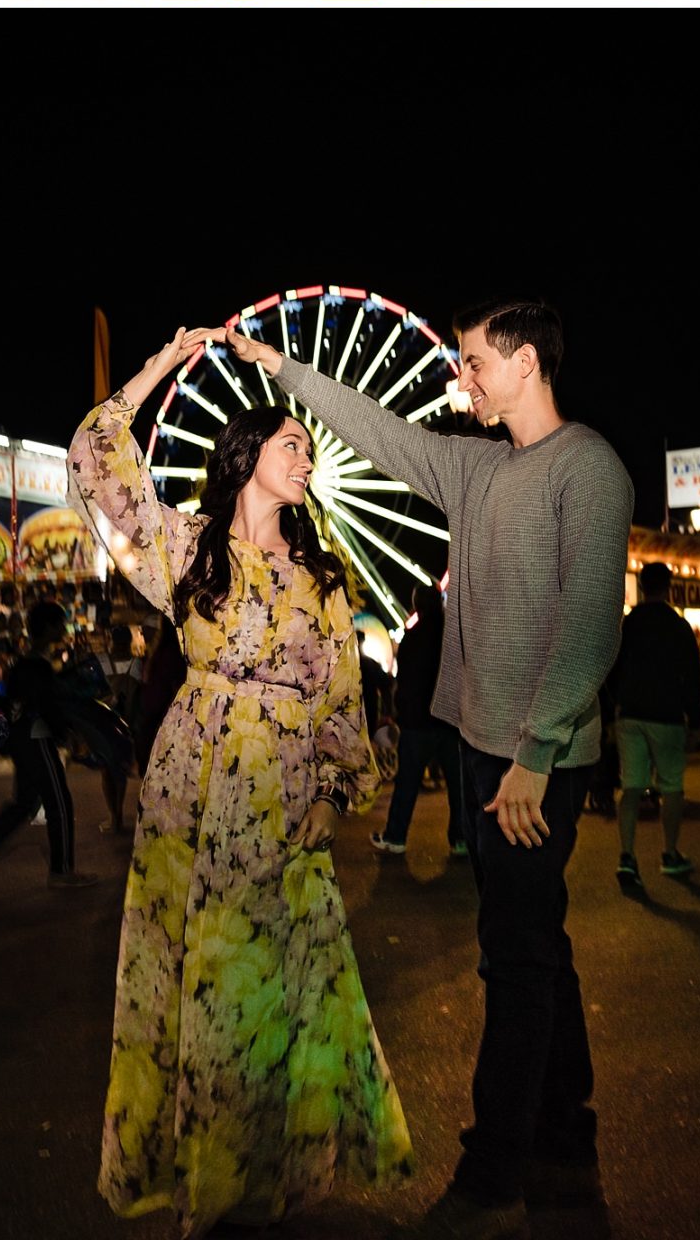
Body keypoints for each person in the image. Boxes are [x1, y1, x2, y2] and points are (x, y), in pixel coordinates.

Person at [229, 298, 633, 1236]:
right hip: (482, 743)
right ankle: (566, 1136)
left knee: (515, 956)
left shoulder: (590, 469)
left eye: (475, 362)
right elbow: (375, 429)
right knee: (537, 942)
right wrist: (281, 370)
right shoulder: (474, 465)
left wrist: (534, 756)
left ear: (527, 362)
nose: (462, 378)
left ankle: (495, 1167)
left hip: (539, 759)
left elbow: (587, 626)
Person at [67, 331, 412, 1234]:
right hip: (192, 787)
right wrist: (157, 366)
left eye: (308, 446)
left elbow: (343, 696)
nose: (307, 458)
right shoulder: (185, 550)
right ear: (245, 457)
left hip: (281, 793)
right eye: (292, 444)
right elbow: (98, 458)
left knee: (267, 989)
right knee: (196, 980)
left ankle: (255, 1168)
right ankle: (209, 1174)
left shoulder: (323, 579)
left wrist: (338, 797)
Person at [0, 599, 84, 884]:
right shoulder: (37, 666)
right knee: (59, 803)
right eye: (60, 623)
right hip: (36, 738)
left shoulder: (25, 663)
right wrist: (66, 731)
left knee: (24, 804)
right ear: (50, 627)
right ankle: (62, 870)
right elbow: (45, 706)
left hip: (22, 740)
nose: (64, 628)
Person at [609, 561, 700, 887]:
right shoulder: (678, 626)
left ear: (643, 586)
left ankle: (627, 856)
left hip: (631, 713)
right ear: (669, 586)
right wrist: (696, 717)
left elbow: (612, 669)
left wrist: (614, 710)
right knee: (672, 785)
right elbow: (692, 675)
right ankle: (670, 852)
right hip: (667, 715)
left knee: (631, 785)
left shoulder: (628, 624)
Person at [372, 584, 469, 862]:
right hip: (450, 722)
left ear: (418, 605)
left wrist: (402, 712)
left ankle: (396, 836)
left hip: (418, 723)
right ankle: (460, 838)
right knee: (458, 787)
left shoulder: (412, 638)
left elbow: (405, 682)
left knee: (406, 785)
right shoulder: (452, 637)